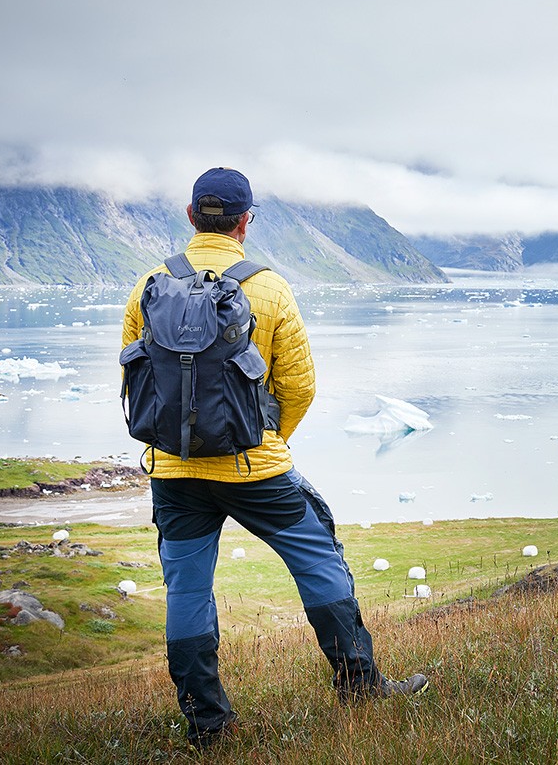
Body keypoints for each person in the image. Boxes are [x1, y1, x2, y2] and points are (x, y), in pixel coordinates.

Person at [121, 167, 427, 748]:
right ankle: (360, 687)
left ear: (191, 216)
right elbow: (299, 386)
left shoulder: (148, 286)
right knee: (318, 560)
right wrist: (265, 438)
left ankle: (208, 724)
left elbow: (135, 378)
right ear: (245, 222)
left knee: (187, 590)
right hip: (255, 469)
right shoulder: (270, 288)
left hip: (175, 473)